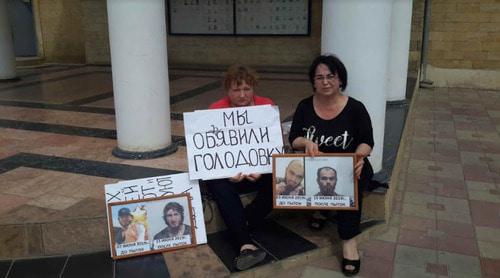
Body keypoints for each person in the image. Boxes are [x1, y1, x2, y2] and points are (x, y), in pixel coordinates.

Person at [288, 54, 374, 276]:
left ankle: (348, 242)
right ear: (313, 81)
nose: (325, 82)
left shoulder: (356, 108)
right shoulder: (305, 106)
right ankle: (323, 209)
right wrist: (306, 142)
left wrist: (358, 157)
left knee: (349, 182)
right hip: (315, 166)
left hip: (351, 164)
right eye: (319, 77)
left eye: (330, 76)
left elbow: (367, 141)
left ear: (340, 79)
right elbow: (294, 138)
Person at [205, 65, 274, 271]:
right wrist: (227, 172)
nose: (242, 95)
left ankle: (241, 226)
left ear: (254, 88)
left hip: (257, 172)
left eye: (247, 89)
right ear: (228, 90)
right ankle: (244, 241)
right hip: (229, 175)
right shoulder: (216, 109)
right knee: (216, 182)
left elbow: (271, 146)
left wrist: (262, 168)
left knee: (282, 180)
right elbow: (211, 151)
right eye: (236, 90)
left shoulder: (266, 106)